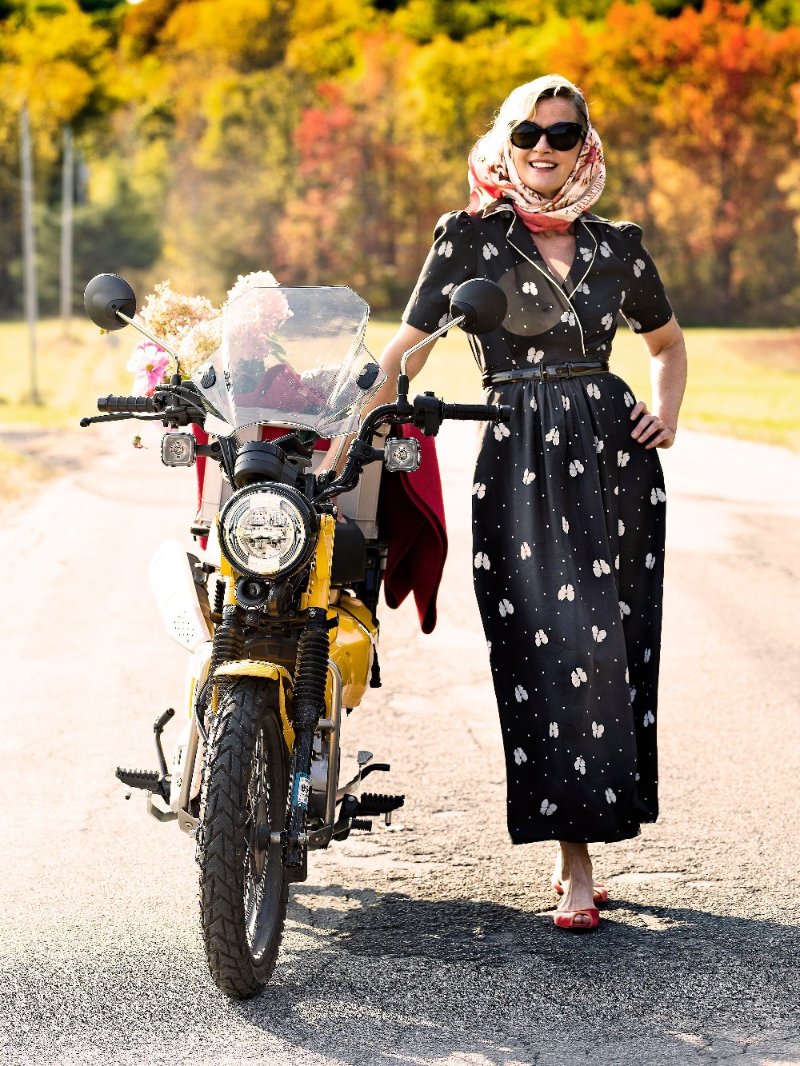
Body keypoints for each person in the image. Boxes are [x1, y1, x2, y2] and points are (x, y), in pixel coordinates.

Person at [370, 73, 687, 931]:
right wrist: (351, 417)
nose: (544, 148)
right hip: (519, 461)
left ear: (585, 145)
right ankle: (574, 858)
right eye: (528, 133)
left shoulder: (619, 246)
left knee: (614, 648)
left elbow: (666, 344)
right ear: (504, 142)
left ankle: (586, 842)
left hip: (617, 464)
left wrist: (665, 414)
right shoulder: (470, 237)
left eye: (562, 133)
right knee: (550, 651)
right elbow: (408, 350)